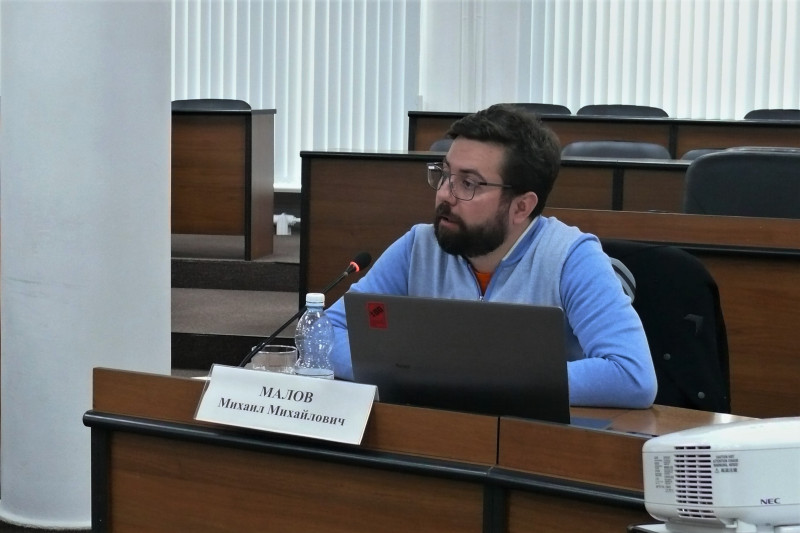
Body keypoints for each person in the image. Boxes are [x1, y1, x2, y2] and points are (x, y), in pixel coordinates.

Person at [325, 104, 657, 408]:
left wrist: (476, 378)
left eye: (469, 184)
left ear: (521, 207)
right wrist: (412, 371)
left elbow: (632, 375)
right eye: (444, 175)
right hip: (435, 431)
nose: (445, 195)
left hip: (531, 440)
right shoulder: (419, 247)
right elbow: (323, 332)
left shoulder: (571, 258)